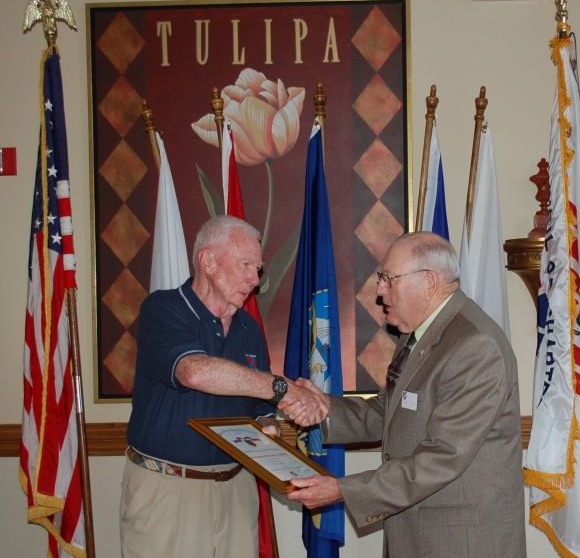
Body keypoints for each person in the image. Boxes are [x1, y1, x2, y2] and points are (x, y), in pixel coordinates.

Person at [284, 232, 527, 558]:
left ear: (430, 283)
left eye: (389, 279)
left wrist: (343, 490)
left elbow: (442, 457)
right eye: (381, 278)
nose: (379, 290)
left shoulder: (475, 346)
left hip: (461, 544)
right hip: (415, 535)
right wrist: (323, 408)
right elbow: (389, 411)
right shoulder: (418, 334)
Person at [120, 215, 328, 558]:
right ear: (207, 261)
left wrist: (268, 425)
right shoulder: (163, 308)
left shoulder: (249, 328)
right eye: (245, 265)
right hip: (169, 489)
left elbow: (260, 406)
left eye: (257, 268)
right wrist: (287, 389)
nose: (255, 279)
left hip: (236, 487)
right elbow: (194, 372)